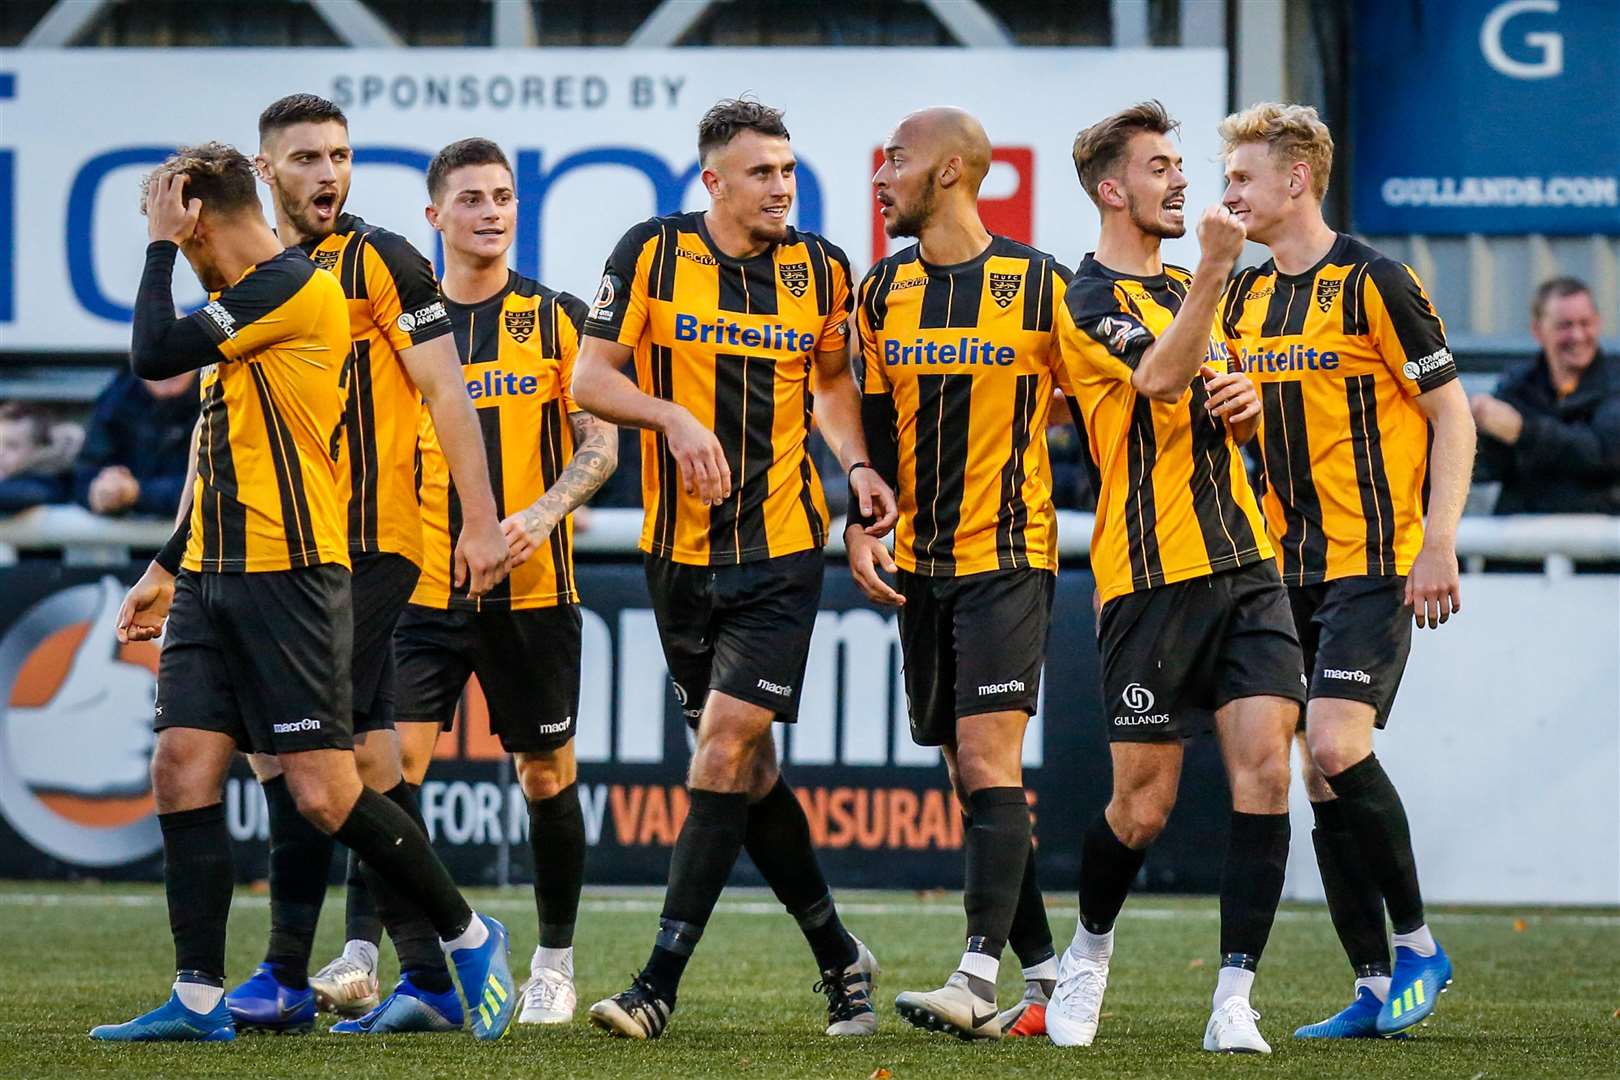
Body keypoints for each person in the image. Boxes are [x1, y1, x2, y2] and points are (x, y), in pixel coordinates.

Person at [89, 142, 514, 1043]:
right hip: (215, 575)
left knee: (325, 793)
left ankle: (468, 934)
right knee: (181, 770)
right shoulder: (240, 311)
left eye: (176, 227)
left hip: (294, 574)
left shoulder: (292, 288)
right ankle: (201, 1000)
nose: (177, 248)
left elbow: (149, 351)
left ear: (195, 218)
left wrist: (159, 249)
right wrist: (170, 566)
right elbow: (219, 459)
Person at [573, 97, 896, 1040]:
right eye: (762, 172)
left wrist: (858, 466)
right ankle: (841, 957)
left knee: (719, 751)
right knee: (745, 773)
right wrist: (672, 418)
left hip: (782, 551)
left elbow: (832, 380)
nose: (782, 187)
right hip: (677, 556)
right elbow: (590, 378)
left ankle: (655, 986)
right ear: (713, 180)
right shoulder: (651, 252)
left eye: (789, 170)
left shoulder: (822, 266)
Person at [220, 92, 511, 1035]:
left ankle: (287, 975)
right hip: (283, 546)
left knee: (302, 751)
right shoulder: (248, 272)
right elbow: (218, 429)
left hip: (372, 543)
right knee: (367, 762)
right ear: (266, 171)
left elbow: (447, 390)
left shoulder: (382, 257)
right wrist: (167, 556)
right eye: (306, 158)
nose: (329, 174)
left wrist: (480, 521)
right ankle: (427, 977)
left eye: (340, 156)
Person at [330, 137, 616, 1035]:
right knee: (384, 771)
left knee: (545, 774)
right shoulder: (396, 325)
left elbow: (600, 445)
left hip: (532, 591)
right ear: (434, 216)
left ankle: (554, 966)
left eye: (503, 197)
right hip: (417, 591)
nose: (491, 212)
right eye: (471, 199)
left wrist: (533, 518)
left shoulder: (559, 317)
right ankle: (365, 958)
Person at [1043, 101, 1304, 1054]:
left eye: (1181, 164)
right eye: (1161, 167)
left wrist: (1244, 408)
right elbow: (1156, 380)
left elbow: (1216, 400)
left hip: (1247, 563)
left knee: (1267, 774)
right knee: (1143, 806)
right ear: (1114, 189)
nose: (1182, 181)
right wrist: (1211, 274)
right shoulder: (1084, 299)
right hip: (1149, 577)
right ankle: (1089, 949)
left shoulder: (1206, 294)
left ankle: (1235, 997)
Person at [1219, 101, 1474, 1039]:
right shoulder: (1244, 299)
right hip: (1285, 569)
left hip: (1373, 558)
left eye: (1244, 177)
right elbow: (1247, 428)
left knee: (1333, 746)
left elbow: (1454, 413)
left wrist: (1436, 539)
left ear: (1297, 180)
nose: (1229, 193)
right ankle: (1373, 986)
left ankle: (1416, 946)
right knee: (1320, 778)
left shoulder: (1376, 282)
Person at [845, 106, 1065, 1041]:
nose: (880, 175)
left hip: (1009, 554)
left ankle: (976, 979)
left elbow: (1110, 394)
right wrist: (857, 508)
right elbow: (865, 420)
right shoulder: (880, 291)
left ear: (947, 173)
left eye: (894, 159)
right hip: (922, 567)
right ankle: (1054, 981)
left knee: (986, 762)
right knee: (967, 779)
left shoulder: (1040, 283)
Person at [1472, 277, 1620, 514]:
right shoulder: (1518, 385)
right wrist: (1470, 425)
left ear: (1598, 323)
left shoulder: (1615, 385)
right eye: (1565, 325)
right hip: (1520, 544)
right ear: (1538, 331)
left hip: (1599, 544)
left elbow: (1602, 453)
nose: (1578, 335)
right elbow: (1487, 467)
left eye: (1585, 323)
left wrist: (1522, 431)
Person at [72, 371, 197, 518]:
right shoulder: (118, 396)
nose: (170, 362)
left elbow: (216, 488)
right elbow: (85, 474)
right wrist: (100, 492)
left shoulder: (220, 399)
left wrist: (137, 493)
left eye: (180, 350)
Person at [0, 402, 81, 512]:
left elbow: (31, 493)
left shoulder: (49, 481)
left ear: (40, 450)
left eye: (12, 446)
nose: (1, 452)